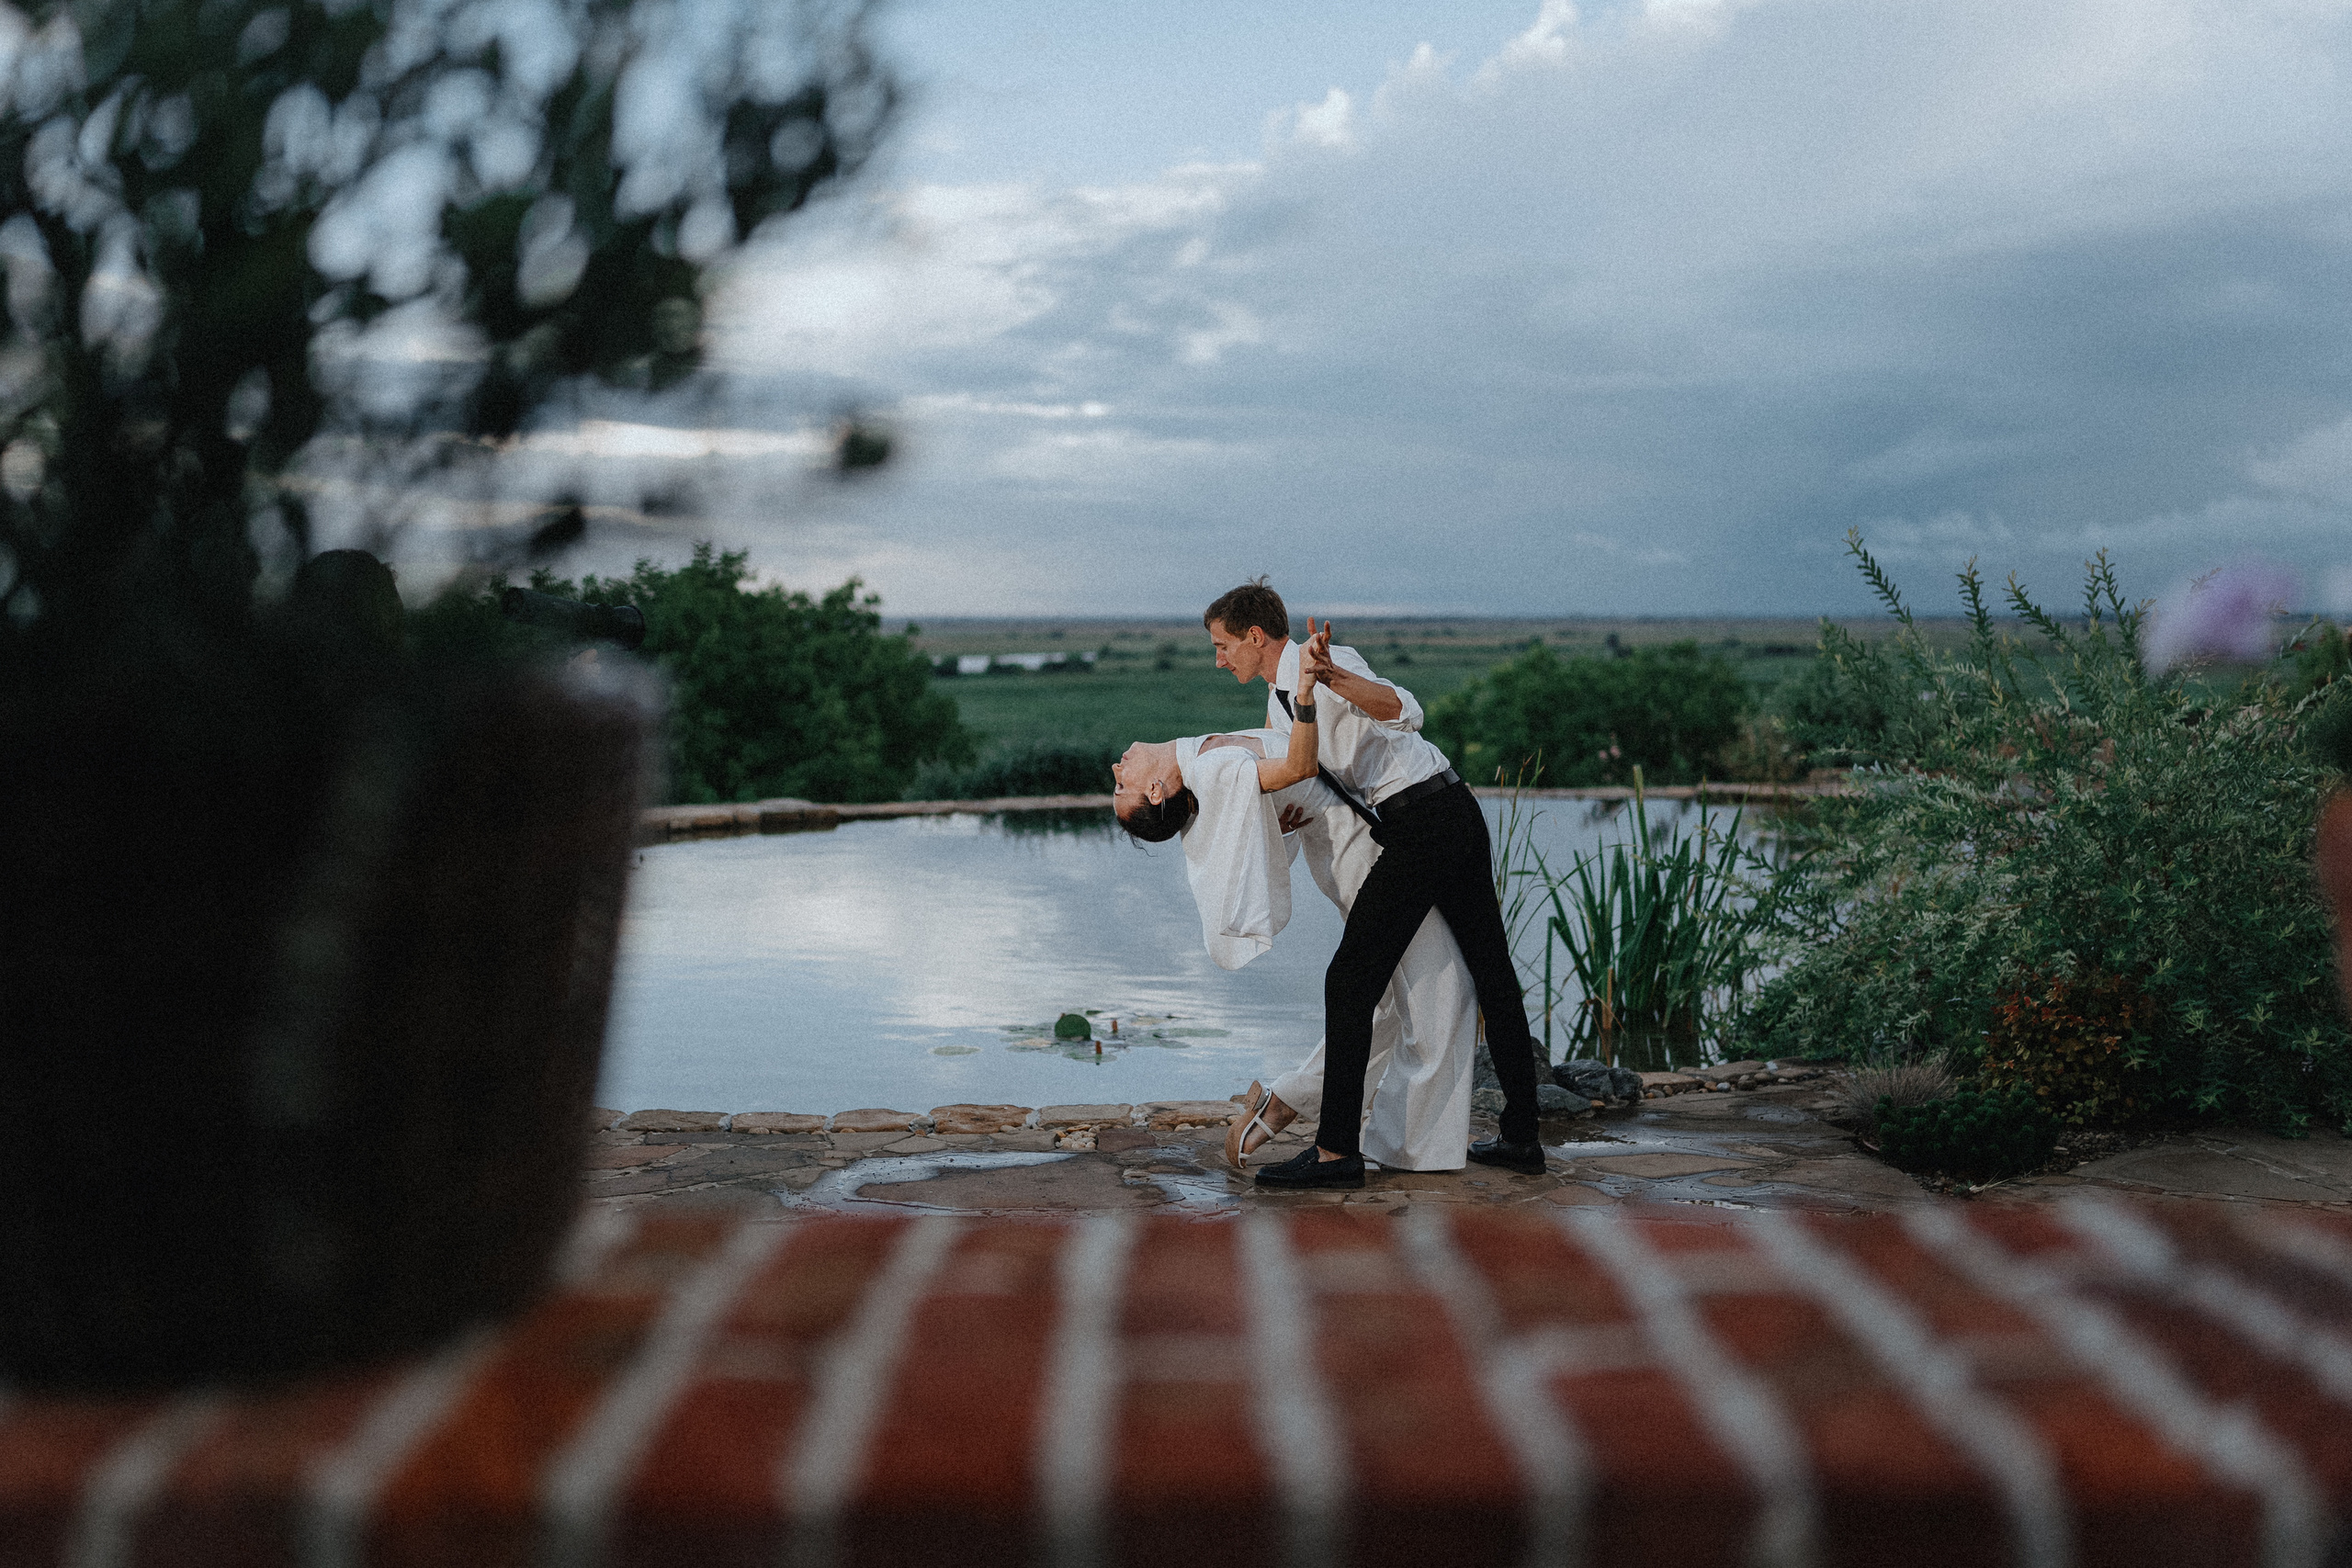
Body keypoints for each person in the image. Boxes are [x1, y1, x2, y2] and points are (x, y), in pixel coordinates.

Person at [1202, 581, 1547, 1189]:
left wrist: (1331, 675)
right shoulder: (1282, 701)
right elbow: (1307, 768)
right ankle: (1522, 1137)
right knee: (1492, 974)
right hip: (1448, 810)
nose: (1220, 657)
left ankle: (1336, 1154)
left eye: (1223, 644)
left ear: (1255, 636)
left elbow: (1402, 708)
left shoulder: (1320, 658)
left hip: (1426, 821)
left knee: (1352, 978)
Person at [1110, 717, 1479, 1174]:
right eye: (1120, 787)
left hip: (1373, 840)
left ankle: (1295, 1103)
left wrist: (1273, 809)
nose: (1115, 769)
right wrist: (1304, 695)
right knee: (1438, 993)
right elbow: (1300, 766)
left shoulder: (1202, 759)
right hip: (1367, 856)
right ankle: (1407, 1147)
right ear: (1153, 790)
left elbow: (1282, 772)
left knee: (1396, 999)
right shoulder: (1211, 769)